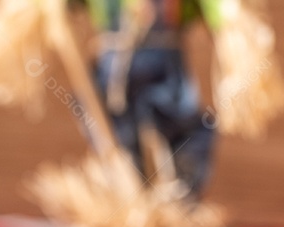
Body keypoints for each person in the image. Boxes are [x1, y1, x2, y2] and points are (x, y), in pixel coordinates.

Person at [78, 0, 220, 198]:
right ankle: (127, 200)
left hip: (164, 54)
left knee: (181, 127)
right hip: (116, 57)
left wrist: (227, 22)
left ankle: (178, 201)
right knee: (114, 132)